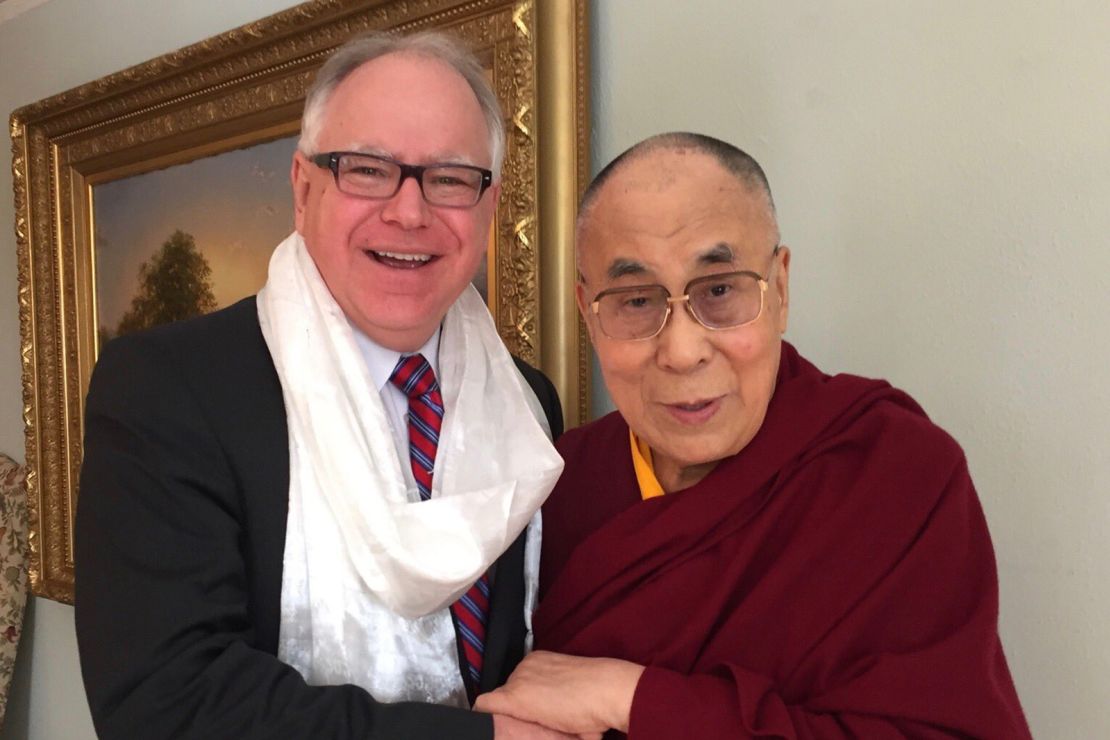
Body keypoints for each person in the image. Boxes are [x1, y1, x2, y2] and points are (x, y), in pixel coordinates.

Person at [75, 31, 572, 740]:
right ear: (304, 189)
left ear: (488, 210)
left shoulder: (528, 402)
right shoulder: (166, 390)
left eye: (451, 177)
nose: (409, 211)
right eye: (367, 169)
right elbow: (166, 703)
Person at [475, 133, 1032, 738]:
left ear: (781, 288)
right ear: (588, 312)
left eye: (719, 290)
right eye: (636, 301)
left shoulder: (892, 470)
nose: (683, 351)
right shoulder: (556, 485)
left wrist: (635, 698)